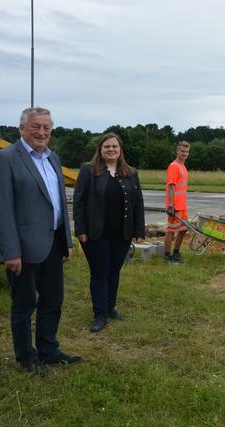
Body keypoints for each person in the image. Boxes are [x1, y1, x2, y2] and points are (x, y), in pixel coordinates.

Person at [0, 107, 81, 374]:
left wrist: (67, 242)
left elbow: (59, 204)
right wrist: (11, 251)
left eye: (46, 128)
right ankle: (27, 358)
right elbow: (1, 209)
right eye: (36, 126)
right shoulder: (5, 159)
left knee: (53, 300)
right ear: (22, 129)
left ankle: (49, 350)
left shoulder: (53, 158)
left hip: (52, 244)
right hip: (23, 249)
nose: (42, 132)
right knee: (25, 304)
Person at [73, 133, 146, 332]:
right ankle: (100, 314)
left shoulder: (130, 173)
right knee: (100, 273)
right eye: (107, 147)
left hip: (121, 233)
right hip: (96, 234)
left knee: (114, 271)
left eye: (114, 146)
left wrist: (139, 230)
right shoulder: (88, 170)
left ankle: (110, 308)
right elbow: (78, 202)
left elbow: (138, 203)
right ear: (100, 149)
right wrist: (80, 230)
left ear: (120, 149)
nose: (111, 150)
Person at [164, 141, 190, 264]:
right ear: (177, 151)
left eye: (186, 151)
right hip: (175, 206)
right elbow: (171, 186)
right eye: (182, 151)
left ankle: (176, 253)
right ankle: (167, 256)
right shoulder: (174, 166)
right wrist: (171, 205)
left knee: (184, 229)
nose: (184, 153)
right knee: (171, 231)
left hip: (182, 205)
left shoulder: (183, 167)